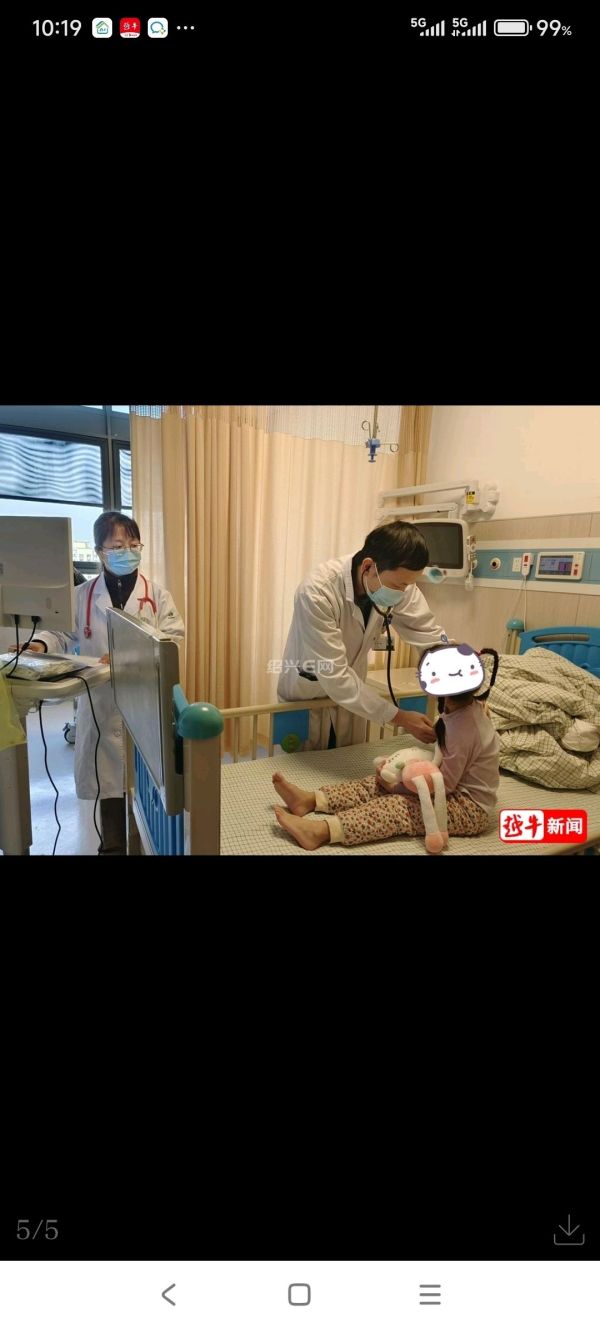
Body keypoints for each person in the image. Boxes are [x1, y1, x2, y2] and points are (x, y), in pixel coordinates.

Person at [10, 512, 184, 854]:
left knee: (146, 789)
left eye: (133, 544)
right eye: (117, 546)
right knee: (109, 783)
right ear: (100, 551)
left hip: (145, 704)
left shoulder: (156, 595)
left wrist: (128, 657)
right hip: (101, 703)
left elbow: (173, 637)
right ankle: (113, 847)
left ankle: (143, 846)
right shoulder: (82, 595)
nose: (127, 552)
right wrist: (40, 644)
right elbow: (61, 632)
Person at [272, 643, 501, 850]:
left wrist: (396, 788)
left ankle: (320, 831)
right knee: (376, 782)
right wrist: (395, 779)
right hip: (447, 785)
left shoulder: (465, 727)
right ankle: (311, 800)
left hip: (468, 807)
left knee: (398, 807)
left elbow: (446, 785)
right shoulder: (460, 710)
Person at [277, 521, 447, 749]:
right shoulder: (317, 592)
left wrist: (457, 670)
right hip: (306, 695)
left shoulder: (399, 585)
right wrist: (400, 717)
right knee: (298, 766)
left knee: (349, 761)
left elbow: (428, 634)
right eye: (398, 585)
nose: (403, 592)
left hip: (352, 700)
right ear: (368, 567)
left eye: (408, 585)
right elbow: (335, 676)